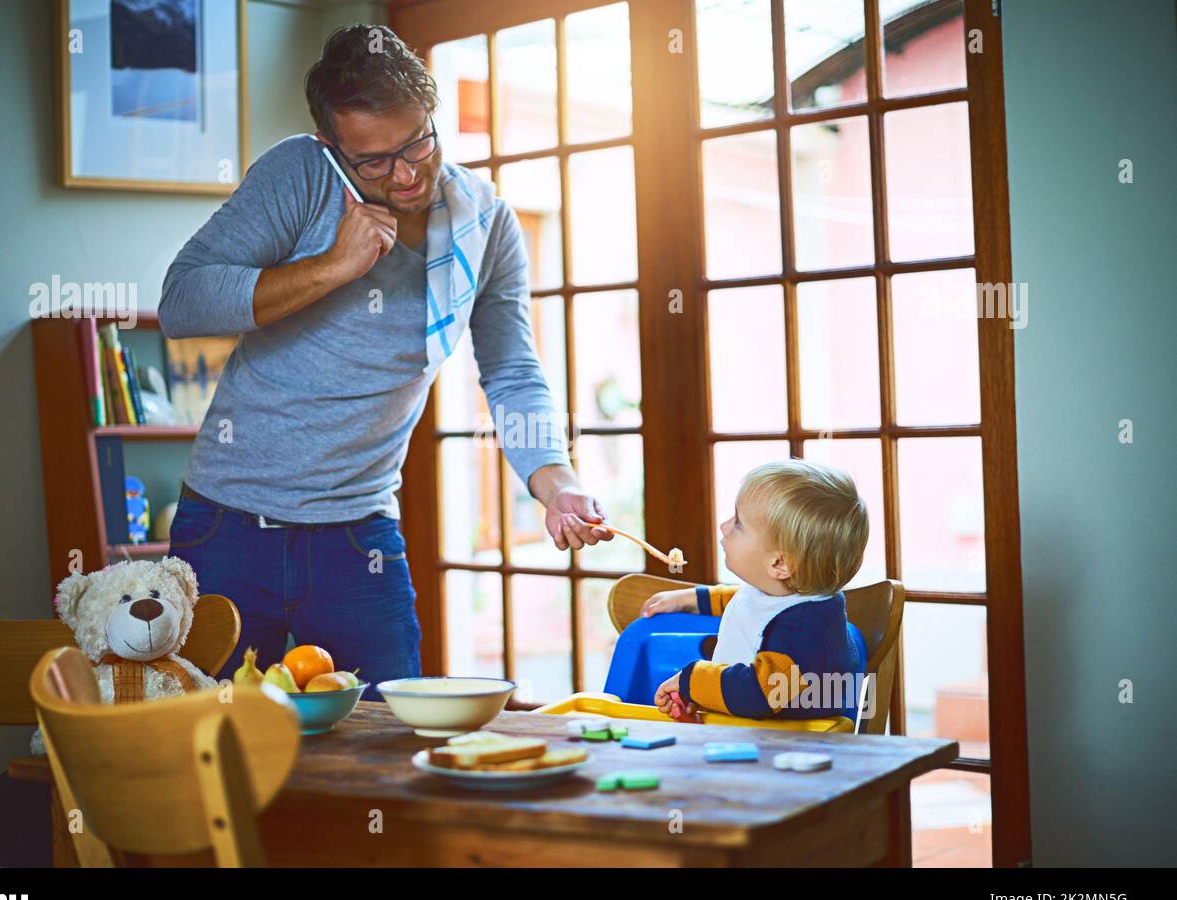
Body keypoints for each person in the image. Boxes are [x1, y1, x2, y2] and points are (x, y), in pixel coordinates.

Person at [158, 25, 611, 697]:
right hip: (229, 523)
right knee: (213, 744)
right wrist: (332, 266)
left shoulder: (484, 224)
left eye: (418, 144)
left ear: (433, 116)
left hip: (358, 532)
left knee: (392, 743)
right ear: (334, 149)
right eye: (373, 160)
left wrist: (557, 483)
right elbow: (183, 301)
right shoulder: (302, 176)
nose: (404, 174)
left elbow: (511, 369)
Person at [646, 460, 869, 720]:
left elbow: (757, 694)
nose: (724, 526)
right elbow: (750, 602)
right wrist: (691, 599)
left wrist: (692, 682)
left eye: (738, 524)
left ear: (779, 563)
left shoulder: (805, 632)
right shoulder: (788, 593)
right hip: (752, 734)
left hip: (786, 747)